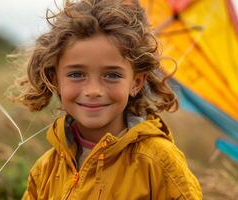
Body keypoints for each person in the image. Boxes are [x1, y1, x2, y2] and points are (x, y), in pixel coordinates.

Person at [12, 0, 202, 199]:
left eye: (112, 75)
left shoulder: (159, 161)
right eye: (77, 74)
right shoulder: (45, 170)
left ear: (136, 82)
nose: (93, 91)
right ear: (54, 79)